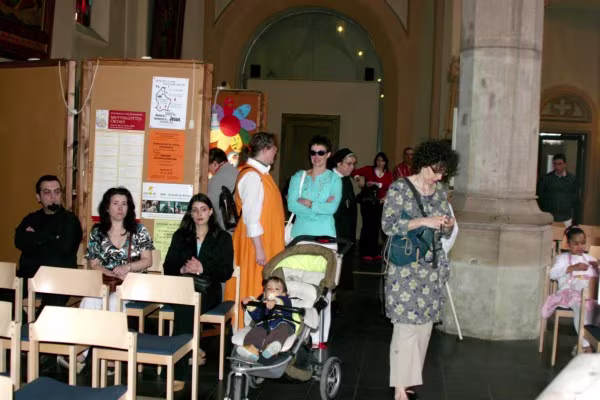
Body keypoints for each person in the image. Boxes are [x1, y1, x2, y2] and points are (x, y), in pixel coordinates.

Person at [382, 140, 458, 400]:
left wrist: (447, 225)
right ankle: (399, 387)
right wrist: (425, 220)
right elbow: (388, 225)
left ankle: (409, 380)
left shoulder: (439, 192)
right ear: (425, 163)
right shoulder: (399, 188)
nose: (439, 177)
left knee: (424, 326)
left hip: (431, 267)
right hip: (405, 267)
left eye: (444, 173)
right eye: (437, 171)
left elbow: (443, 230)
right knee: (405, 327)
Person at [163, 194, 234, 389]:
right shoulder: (181, 235)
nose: (199, 214)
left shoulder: (223, 238)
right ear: (190, 214)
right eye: (195, 210)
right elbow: (168, 266)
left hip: (208, 289)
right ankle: (191, 350)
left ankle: (178, 371)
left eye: (203, 209)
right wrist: (182, 269)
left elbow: (226, 272)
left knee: (186, 307)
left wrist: (203, 268)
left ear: (210, 212)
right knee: (186, 305)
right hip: (182, 287)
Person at [224, 132, 286, 329]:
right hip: (255, 245)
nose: (276, 152)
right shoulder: (252, 176)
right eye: (274, 148)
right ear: (266, 149)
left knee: (262, 286)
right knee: (252, 285)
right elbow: (251, 217)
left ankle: (262, 331)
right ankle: (246, 333)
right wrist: (259, 249)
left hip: (261, 242)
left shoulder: (261, 174)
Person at [13, 175, 82, 313]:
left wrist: (34, 237)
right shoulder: (31, 218)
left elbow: (64, 248)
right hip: (28, 277)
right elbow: (19, 241)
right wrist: (53, 237)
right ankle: (23, 324)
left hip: (59, 279)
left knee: (51, 307)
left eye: (57, 192)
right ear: (38, 197)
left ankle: (36, 326)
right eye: (47, 192)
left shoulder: (70, 220)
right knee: (5, 296)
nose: (53, 196)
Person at [81, 187, 154, 311]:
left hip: (132, 284)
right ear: (107, 208)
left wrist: (127, 267)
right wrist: (112, 274)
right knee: (89, 301)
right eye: (115, 203)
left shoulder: (139, 230)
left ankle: (114, 325)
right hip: (106, 282)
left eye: (124, 204)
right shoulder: (97, 231)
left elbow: (148, 260)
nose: (120, 208)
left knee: (114, 302)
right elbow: (94, 264)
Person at [543, 226, 599, 353]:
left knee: (595, 310)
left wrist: (596, 268)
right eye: (576, 243)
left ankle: (587, 343)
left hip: (588, 294)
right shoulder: (562, 258)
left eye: (583, 243)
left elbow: (596, 278)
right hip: (569, 293)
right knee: (581, 309)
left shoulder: (590, 259)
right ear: (568, 244)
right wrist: (573, 267)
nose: (580, 246)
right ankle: (586, 346)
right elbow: (553, 274)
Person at [287, 135, 342, 239]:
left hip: (325, 235)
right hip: (300, 235)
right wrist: (321, 208)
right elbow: (291, 205)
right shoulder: (298, 177)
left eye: (321, 153)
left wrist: (310, 204)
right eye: (313, 152)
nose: (316, 157)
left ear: (328, 154)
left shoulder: (335, 179)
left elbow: (332, 208)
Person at [237, 277, 298, 361]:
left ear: (283, 294)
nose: (272, 290)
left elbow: (282, 301)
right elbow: (256, 316)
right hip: (264, 326)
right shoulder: (263, 304)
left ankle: (271, 347)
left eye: (277, 289)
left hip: (282, 324)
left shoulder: (285, 300)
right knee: (255, 331)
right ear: (265, 294)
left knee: (282, 330)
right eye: (269, 288)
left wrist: (275, 301)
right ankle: (252, 349)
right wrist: (250, 302)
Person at [353, 152, 393, 261]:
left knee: (376, 227)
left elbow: (390, 185)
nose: (380, 162)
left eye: (382, 160)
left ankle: (374, 251)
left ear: (385, 162)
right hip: (368, 203)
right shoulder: (368, 169)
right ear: (375, 161)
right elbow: (354, 172)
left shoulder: (388, 174)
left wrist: (376, 184)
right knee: (367, 226)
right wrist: (359, 178)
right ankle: (365, 252)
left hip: (380, 203)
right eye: (378, 160)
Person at [329, 148, 358, 289]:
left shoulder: (346, 180)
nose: (352, 167)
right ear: (339, 163)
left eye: (354, 164)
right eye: (349, 164)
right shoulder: (330, 179)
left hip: (347, 228)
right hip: (335, 228)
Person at [537, 153, 578, 226]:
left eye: (560, 164)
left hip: (566, 217)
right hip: (550, 217)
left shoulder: (572, 179)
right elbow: (540, 196)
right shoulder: (546, 178)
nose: (557, 166)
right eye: (555, 164)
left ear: (565, 164)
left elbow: (575, 197)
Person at [207, 147, 239, 230]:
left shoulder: (216, 180)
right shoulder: (237, 172)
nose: (208, 171)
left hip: (228, 228)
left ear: (214, 164)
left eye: (208, 167)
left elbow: (208, 206)